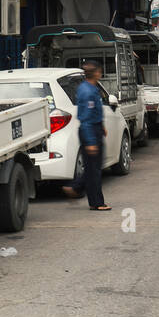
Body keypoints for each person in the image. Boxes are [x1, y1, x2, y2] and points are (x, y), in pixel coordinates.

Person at [62, 61, 111, 210]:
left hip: (94, 129)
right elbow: (86, 119)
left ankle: (76, 188)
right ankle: (97, 203)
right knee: (94, 169)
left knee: (93, 167)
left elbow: (92, 113)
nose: (100, 72)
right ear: (95, 73)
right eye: (99, 70)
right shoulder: (88, 92)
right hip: (90, 131)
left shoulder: (88, 87)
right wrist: (90, 141)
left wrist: (101, 125)